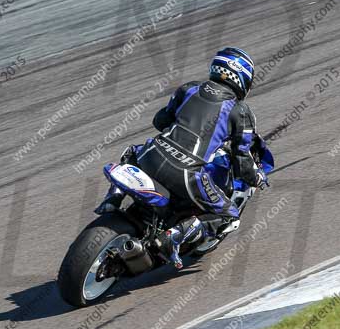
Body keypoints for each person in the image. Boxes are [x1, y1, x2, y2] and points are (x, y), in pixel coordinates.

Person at [97, 47, 268, 268]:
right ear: (243, 78)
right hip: (187, 175)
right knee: (230, 215)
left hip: (150, 156)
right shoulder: (241, 111)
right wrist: (257, 177)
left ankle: (113, 197)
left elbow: (160, 121)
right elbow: (242, 161)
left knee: (131, 152)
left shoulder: (189, 88)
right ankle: (173, 237)